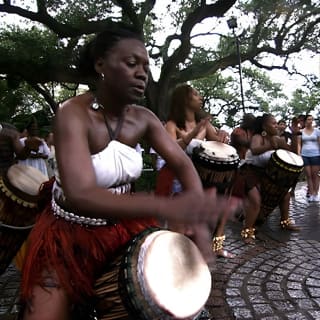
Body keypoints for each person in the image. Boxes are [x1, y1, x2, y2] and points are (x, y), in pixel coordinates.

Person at [19, 25, 240, 320]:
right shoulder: (72, 113)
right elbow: (81, 192)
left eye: (146, 66)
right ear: (101, 64)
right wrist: (167, 205)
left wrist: (197, 220)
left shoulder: (144, 119)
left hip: (123, 228)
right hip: (68, 235)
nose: (142, 73)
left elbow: (183, 165)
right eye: (131, 63)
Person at [158, 83, 234, 258]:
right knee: (179, 224)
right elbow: (171, 150)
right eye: (196, 94)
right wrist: (192, 134)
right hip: (177, 178)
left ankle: (209, 249)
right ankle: (176, 260)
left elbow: (217, 143)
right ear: (185, 99)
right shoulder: (171, 124)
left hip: (200, 178)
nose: (201, 98)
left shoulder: (205, 125)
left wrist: (222, 133)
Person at [244, 113, 300, 233]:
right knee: (256, 199)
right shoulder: (258, 137)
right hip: (249, 172)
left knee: (285, 195)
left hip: (266, 173)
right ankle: (248, 230)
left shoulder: (277, 139)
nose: (276, 126)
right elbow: (254, 150)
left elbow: (294, 152)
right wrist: (270, 145)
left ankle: (285, 222)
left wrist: (295, 134)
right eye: (273, 123)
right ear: (264, 127)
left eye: (276, 123)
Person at [230, 114, 261, 244]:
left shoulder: (254, 134)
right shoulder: (238, 131)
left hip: (247, 169)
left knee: (255, 200)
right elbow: (244, 144)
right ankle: (247, 232)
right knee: (253, 200)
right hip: (236, 168)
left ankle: (248, 229)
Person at [297, 114, 320, 202]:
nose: (310, 121)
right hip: (305, 154)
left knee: (315, 175)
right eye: (309, 119)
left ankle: (315, 193)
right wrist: (299, 154)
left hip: (316, 154)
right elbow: (299, 143)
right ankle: (311, 193)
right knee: (309, 175)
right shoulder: (301, 131)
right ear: (305, 121)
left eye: (312, 119)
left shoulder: (317, 131)